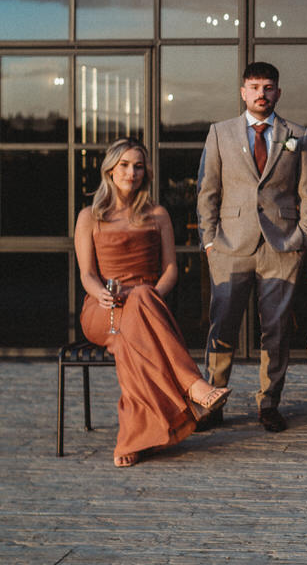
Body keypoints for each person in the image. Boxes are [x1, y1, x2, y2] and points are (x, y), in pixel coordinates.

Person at [75, 139, 230, 467]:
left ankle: (135, 439)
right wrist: (99, 292)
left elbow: (171, 269)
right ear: (110, 170)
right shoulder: (90, 216)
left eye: (139, 166)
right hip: (102, 309)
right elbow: (87, 273)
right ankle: (195, 386)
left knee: (133, 334)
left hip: (146, 305)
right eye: (125, 165)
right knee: (138, 308)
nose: (132, 172)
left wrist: (147, 298)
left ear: (146, 172)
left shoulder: (157, 214)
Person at [196, 61, 307, 433]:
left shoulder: (296, 134)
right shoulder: (220, 133)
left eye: (268, 88)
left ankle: (269, 403)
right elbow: (207, 191)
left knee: (277, 328)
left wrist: (303, 238)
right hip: (230, 246)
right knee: (223, 326)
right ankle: (213, 402)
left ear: (277, 92)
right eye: (254, 87)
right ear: (243, 92)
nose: (261, 94)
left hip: (282, 246)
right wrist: (208, 241)